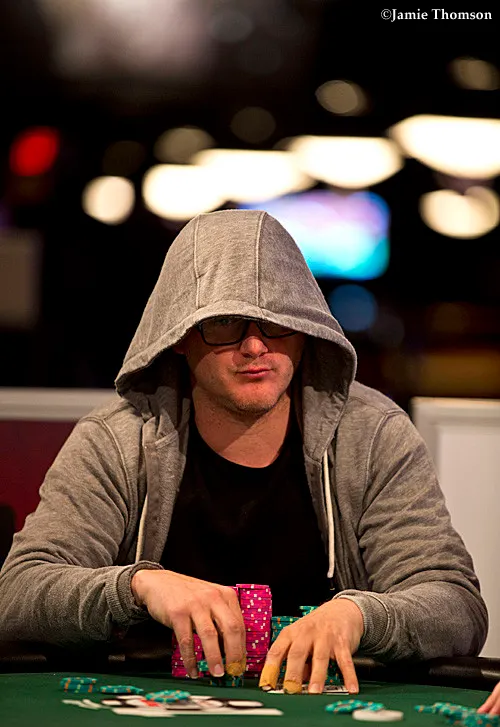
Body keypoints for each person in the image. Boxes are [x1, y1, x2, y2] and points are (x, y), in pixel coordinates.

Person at [0, 209, 487, 695]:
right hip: (148, 709)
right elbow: (18, 594)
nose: (255, 346)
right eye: (225, 323)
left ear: (306, 330)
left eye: (278, 322)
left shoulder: (372, 434)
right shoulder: (117, 440)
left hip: (323, 711)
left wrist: (358, 616)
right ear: (179, 337)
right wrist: (138, 586)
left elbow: (456, 605)